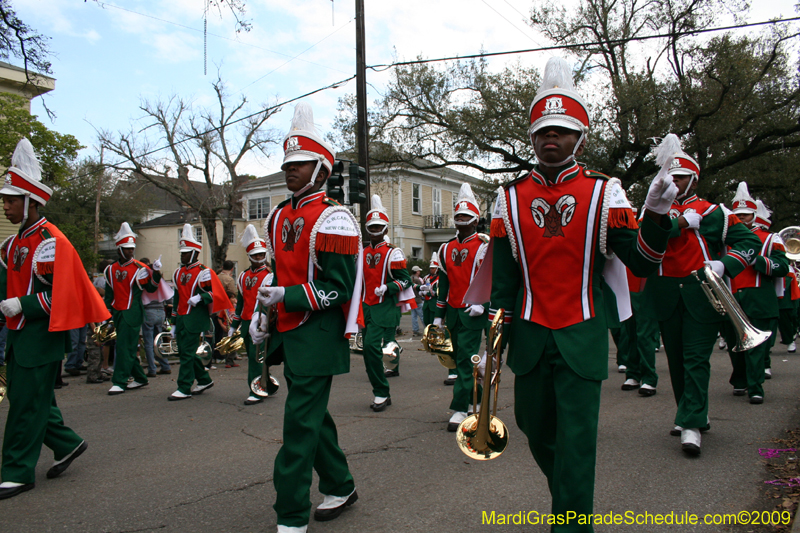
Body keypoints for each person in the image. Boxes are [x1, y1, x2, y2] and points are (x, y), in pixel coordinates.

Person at [483, 58, 675, 531]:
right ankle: (569, 503)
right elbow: (504, 281)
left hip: (582, 332)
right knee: (534, 428)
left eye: (564, 131)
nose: (553, 138)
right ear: (531, 137)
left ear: (581, 137)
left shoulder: (606, 192)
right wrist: (489, 345)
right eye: (544, 130)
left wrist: (654, 213)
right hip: (528, 336)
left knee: (576, 442)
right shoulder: (507, 197)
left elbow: (644, 264)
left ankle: (571, 522)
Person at [250, 103, 361, 533]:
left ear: (320, 169)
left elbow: (340, 289)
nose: (289, 170)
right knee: (313, 417)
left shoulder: (335, 217)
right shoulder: (278, 215)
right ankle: (341, 484)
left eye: (299, 164)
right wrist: (265, 311)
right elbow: (277, 274)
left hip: (318, 333)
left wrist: (288, 297)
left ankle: (291, 515)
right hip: (287, 328)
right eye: (287, 163)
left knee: (298, 424)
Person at [0, 138, 109, 499]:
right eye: (4, 199)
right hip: (18, 335)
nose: (5, 206)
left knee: (25, 406)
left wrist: (24, 305)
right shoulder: (13, 244)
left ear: (31, 201)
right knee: (28, 399)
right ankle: (68, 444)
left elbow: (64, 295)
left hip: (41, 335)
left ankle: (17, 471)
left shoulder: (50, 241)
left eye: (11, 200)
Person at [642, 144, 762, 455]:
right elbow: (643, 238)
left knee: (696, 359)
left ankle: (692, 423)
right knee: (677, 360)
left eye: (681, 178)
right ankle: (691, 412)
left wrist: (726, 264)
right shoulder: (653, 212)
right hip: (666, 292)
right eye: (671, 177)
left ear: (694, 180)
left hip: (702, 292)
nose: (675, 182)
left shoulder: (713, 212)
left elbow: (749, 242)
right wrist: (679, 223)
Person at [723, 189, 788, 402]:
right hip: (731, 297)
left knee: (757, 347)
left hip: (760, 298)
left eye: (745, 214)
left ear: (753, 215)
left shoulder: (770, 239)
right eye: (738, 215)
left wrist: (758, 261)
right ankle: (740, 380)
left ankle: (756, 386)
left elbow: (782, 267)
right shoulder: (725, 238)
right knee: (734, 344)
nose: (741, 218)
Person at [435, 182, 489, 432]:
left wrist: (482, 304)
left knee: (465, 362)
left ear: (476, 220)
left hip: (473, 312)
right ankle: (470, 401)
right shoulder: (445, 248)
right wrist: (438, 316)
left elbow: (491, 280)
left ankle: (458, 408)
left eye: (467, 217)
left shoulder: (485, 246)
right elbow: (443, 285)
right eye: (458, 216)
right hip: (454, 313)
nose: (462, 221)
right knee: (459, 360)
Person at [167, 224, 232, 401]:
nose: (183, 255)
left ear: (195, 252)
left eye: (186, 252)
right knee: (185, 353)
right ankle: (204, 379)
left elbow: (215, 294)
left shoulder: (204, 272)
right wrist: (173, 323)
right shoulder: (178, 272)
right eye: (182, 252)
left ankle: (184, 386)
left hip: (194, 318)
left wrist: (200, 298)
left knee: (187, 353)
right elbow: (176, 299)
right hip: (181, 318)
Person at [360, 194, 414, 406]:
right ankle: (381, 386)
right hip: (366, 308)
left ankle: (381, 390)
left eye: (378, 227)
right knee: (368, 349)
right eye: (371, 227)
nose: (374, 231)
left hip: (385, 307)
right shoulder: (363, 252)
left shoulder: (394, 253)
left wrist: (388, 287)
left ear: (385, 229)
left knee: (372, 347)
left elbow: (406, 281)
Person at [104, 222, 164, 396]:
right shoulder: (110, 269)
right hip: (117, 312)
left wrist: (157, 273)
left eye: (132, 248)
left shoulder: (140, 269)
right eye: (127, 248)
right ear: (119, 249)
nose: (131, 251)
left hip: (133, 312)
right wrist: (106, 315)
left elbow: (151, 289)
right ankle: (139, 377)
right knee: (127, 347)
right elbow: (109, 295)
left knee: (123, 347)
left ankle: (119, 381)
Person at [228, 224, 272, 406]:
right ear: (249, 257)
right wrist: (233, 326)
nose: (259, 258)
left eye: (262, 255)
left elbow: (267, 303)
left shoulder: (269, 275)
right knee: (256, 357)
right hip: (246, 323)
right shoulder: (242, 276)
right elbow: (242, 303)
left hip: (262, 322)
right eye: (255, 256)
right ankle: (265, 383)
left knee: (256, 358)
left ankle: (256, 389)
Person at [139, 257, 171, 375]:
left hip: (148, 311)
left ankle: (152, 369)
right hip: (160, 311)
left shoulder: (145, 280)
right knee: (159, 341)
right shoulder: (160, 280)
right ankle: (165, 365)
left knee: (148, 342)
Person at [410, 266, 424, 336]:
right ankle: (426, 329)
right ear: (417, 271)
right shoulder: (417, 279)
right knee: (422, 315)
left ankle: (415, 330)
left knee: (414, 316)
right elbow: (421, 288)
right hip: (418, 299)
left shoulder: (410, 278)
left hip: (412, 299)